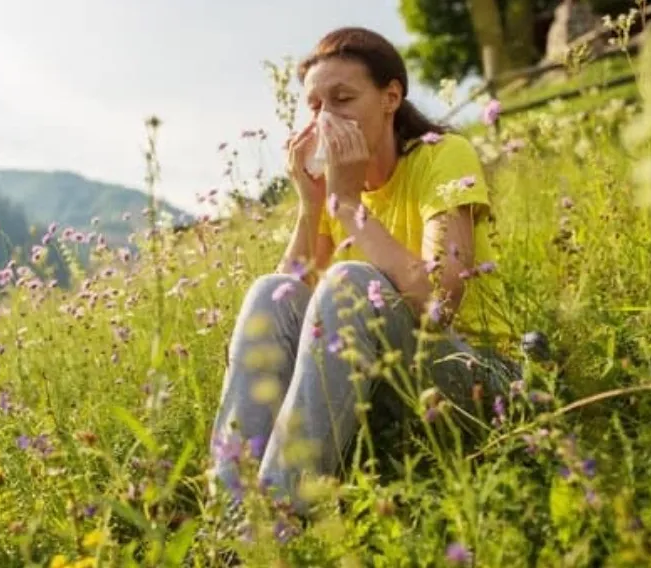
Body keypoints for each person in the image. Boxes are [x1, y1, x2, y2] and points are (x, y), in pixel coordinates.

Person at [208, 26, 517, 519]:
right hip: (388, 385)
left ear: (390, 97)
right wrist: (312, 205)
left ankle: (277, 519)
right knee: (271, 290)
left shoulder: (442, 155)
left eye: (343, 99)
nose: (325, 118)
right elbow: (284, 312)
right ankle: (231, 517)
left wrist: (348, 206)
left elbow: (439, 304)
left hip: (477, 378)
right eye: (314, 106)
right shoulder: (336, 189)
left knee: (351, 282)